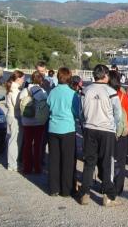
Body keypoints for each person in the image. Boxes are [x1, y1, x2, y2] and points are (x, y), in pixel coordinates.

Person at [77, 64, 122, 206]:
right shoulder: (111, 92)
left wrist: (85, 124)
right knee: (107, 162)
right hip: (106, 130)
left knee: (89, 162)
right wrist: (114, 127)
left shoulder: (85, 90)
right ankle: (108, 195)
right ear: (106, 76)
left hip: (89, 129)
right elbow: (118, 114)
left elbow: (80, 112)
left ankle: (84, 193)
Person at [46, 67, 80, 197]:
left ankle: (54, 188)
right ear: (69, 77)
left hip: (53, 128)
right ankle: (66, 190)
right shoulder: (72, 94)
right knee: (68, 160)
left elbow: (49, 107)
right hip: (67, 129)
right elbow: (76, 113)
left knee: (54, 159)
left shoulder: (52, 92)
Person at [108, 70, 128, 196]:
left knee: (107, 160)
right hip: (121, 134)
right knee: (120, 162)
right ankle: (118, 187)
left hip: (106, 131)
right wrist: (125, 131)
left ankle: (106, 184)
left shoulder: (104, 94)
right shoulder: (122, 95)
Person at [20, 71, 49, 174]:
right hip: (38, 122)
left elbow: (20, 101)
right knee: (37, 145)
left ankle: (27, 168)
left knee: (27, 144)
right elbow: (47, 103)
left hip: (27, 121)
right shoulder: (42, 91)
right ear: (41, 80)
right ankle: (37, 168)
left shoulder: (24, 90)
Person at [5, 70, 25, 171]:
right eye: (22, 78)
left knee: (14, 140)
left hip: (11, 116)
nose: (23, 80)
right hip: (14, 117)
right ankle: (12, 164)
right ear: (18, 79)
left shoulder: (12, 88)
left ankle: (13, 163)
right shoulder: (15, 90)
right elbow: (17, 105)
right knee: (14, 141)